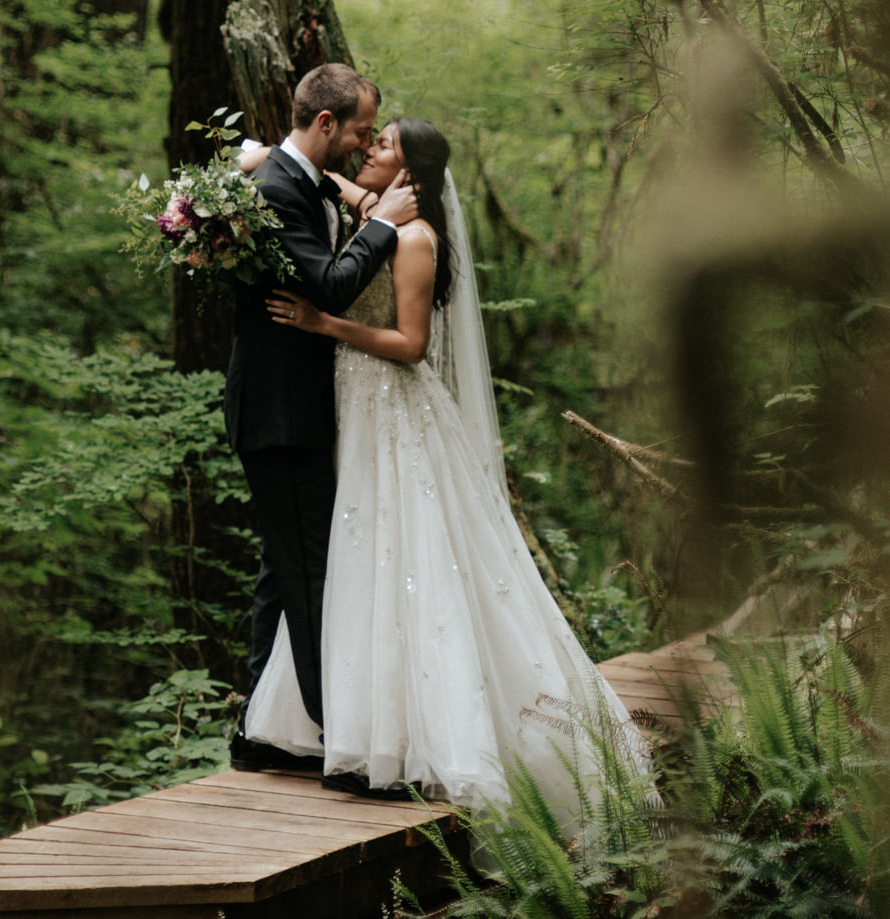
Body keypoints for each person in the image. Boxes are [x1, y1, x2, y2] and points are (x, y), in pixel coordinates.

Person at [240, 118, 643, 814]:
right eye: (370, 139)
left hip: (393, 412)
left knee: (407, 555)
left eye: (385, 144)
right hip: (352, 412)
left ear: (413, 173)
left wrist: (324, 324)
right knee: (353, 560)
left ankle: (416, 737)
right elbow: (327, 183)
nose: (369, 150)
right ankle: (345, 725)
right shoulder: (375, 214)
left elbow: (411, 343)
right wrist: (263, 155)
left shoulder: (417, 236)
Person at [223, 64, 419, 773]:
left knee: (284, 569)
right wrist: (386, 227)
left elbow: (306, 178)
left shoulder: (291, 175)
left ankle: (257, 733)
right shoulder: (279, 189)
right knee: (309, 575)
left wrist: (361, 194)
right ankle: (337, 737)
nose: (365, 144)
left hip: (289, 408)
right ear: (327, 123)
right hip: (280, 413)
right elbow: (332, 285)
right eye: (362, 130)